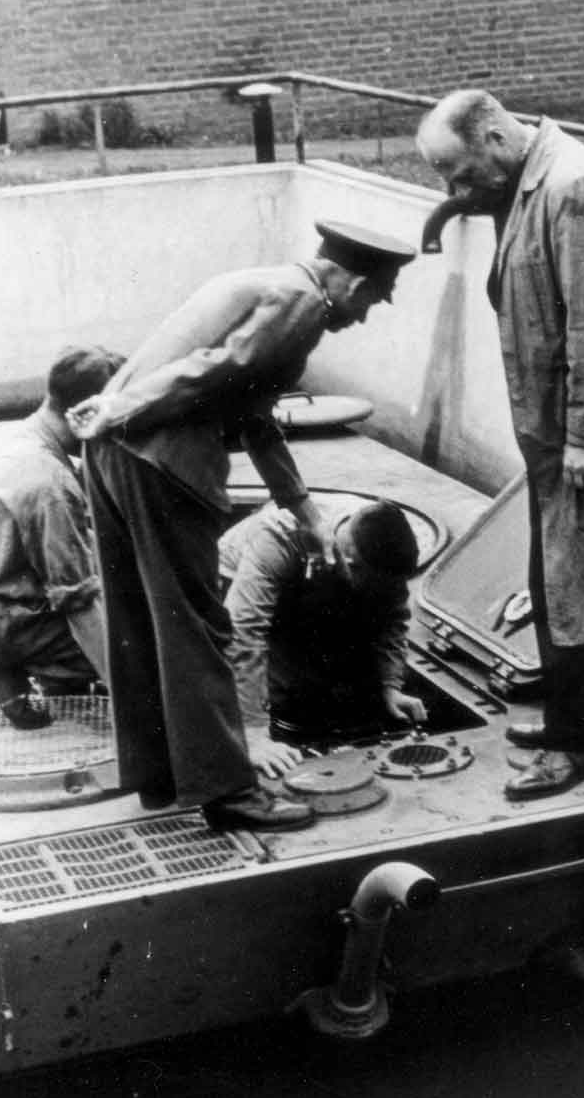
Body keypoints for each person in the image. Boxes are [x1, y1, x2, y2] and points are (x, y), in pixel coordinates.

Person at [66, 222, 416, 832]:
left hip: (114, 456)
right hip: (163, 462)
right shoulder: (304, 304)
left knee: (137, 619)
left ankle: (159, 774)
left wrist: (303, 509)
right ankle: (231, 793)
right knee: (197, 628)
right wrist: (123, 404)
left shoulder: (265, 283)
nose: (363, 317)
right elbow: (212, 368)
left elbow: (254, 416)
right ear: (355, 283)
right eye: (372, 301)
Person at [416, 90, 584, 801]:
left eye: (458, 174)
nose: (456, 190)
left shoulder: (575, 187)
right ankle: (581, 720)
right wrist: (453, 208)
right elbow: (511, 231)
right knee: (557, 579)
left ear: (494, 138)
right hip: (557, 430)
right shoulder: (524, 177)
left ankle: (581, 741)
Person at [0, 345, 121, 728]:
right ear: (88, 411)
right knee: (129, 632)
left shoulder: (0, 433)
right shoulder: (48, 481)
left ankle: (10, 690)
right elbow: (77, 600)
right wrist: (129, 691)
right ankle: (65, 690)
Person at [218, 500, 427, 773]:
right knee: (283, 688)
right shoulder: (279, 538)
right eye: (374, 584)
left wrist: (390, 686)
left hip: (315, 581)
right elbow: (244, 633)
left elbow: (393, 617)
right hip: (236, 584)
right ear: (352, 566)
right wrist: (254, 735)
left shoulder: (383, 549)